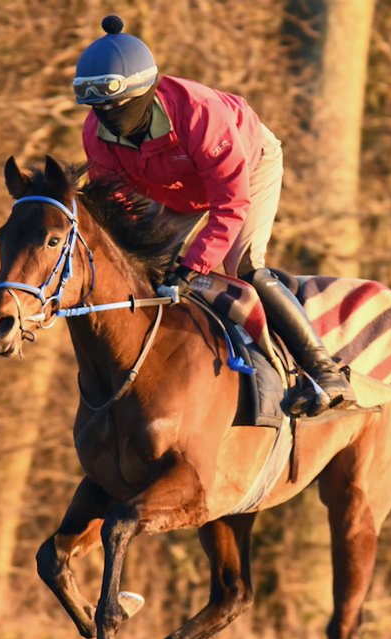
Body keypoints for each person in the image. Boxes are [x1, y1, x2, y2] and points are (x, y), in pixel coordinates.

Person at [72, 15, 356, 416]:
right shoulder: (95, 135)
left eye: (115, 106)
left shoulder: (200, 113)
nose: (107, 117)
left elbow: (231, 202)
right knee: (146, 271)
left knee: (243, 269)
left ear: (144, 93)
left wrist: (194, 264)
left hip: (248, 168)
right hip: (173, 189)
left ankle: (323, 371)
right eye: (98, 108)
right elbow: (119, 205)